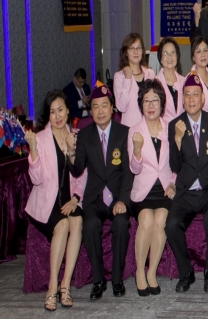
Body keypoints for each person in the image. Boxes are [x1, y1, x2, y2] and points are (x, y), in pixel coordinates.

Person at [67, 83, 131, 300]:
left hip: (117, 197)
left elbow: (128, 172)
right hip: (94, 197)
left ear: (112, 108)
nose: (100, 111)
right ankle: (98, 280)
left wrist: (123, 200)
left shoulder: (124, 133)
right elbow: (77, 170)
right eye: (95, 106)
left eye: (105, 105)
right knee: (90, 225)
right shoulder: (84, 135)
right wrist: (71, 152)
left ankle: (117, 279)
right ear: (91, 110)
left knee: (121, 224)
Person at [25, 91, 86, 311]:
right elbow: (37, 179)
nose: (58, 116)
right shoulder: (40, 139)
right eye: (52, 112)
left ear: (68, 110)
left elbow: (82, 175)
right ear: (48, 116)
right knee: (62, 225)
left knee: (77, 221)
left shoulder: (76, 136)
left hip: (70, 200)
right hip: (47, 204)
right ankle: (52, 285)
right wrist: (33, 149)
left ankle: (65, 285)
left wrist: (75, 199)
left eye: (60, 110)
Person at [165, 72, 208, 293]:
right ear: (183, 99)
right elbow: (175, 165)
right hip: (186, 193)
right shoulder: (175, 125)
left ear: (202, 98)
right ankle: (186, 272)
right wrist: (177, 140)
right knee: (171, 224)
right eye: (187, 95)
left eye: (195, 94)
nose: (191, 99)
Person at [128, 79, 175, 296]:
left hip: (165, 188)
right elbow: (134, 168)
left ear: (162, 103)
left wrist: (173, 183)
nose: (151, 105)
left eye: (155, 100)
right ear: (141, 104)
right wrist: (137, 150)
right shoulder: (134, 131)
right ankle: (140, 271)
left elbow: (178, 163)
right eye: (146, 101)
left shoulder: (170, 128)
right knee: (146, 219)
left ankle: (152, 272)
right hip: (143, 190)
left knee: (161, 219)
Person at [114, 33, 155, 128]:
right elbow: (122, 107)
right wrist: (127, 80)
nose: (136, 51)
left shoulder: (150, 74)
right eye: (132, 48)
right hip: (130, 129)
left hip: (149, 128)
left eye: (138, 48)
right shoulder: (119, 76)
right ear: (126, 52)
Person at [156, 38, 185, 121]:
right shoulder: (155, 83)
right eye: (166, 53)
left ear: (177, 56)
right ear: (161, 59)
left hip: (182, 127)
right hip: (163, 128)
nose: (169, 56)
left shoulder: (184, 81)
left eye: (172, 52)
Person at [191, 37, 208, 114]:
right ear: (193, 57)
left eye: (205, 50)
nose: (203, 55)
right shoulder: (190, 79)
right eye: (198, 51)